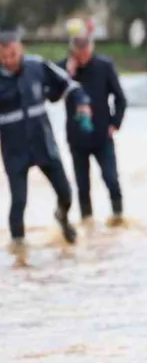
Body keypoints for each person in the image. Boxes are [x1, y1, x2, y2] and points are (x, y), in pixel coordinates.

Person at [0, 24, 91, 249]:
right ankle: (18, 250)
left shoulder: (36, 66)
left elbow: (70, 86)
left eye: (12, 54)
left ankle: (62, 216)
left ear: (20, 49)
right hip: (15, 151)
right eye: (3, 57)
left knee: (66, 193)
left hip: (43, 144)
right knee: (19, 202)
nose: (8, 60)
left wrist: (81, 105)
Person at [61, 20, 127, 225]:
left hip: (102, 135)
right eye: (77, 48)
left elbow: (120, 98)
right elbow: (51, 94)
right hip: (77, 139)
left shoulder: (104, 66)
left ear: (91, 46)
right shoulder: (64, 69)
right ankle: (87, 223)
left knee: (111, 180)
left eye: (85, 47)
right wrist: (67, 74)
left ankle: (118, 217)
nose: (82, 53)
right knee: (82, 186)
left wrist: (115, 123)